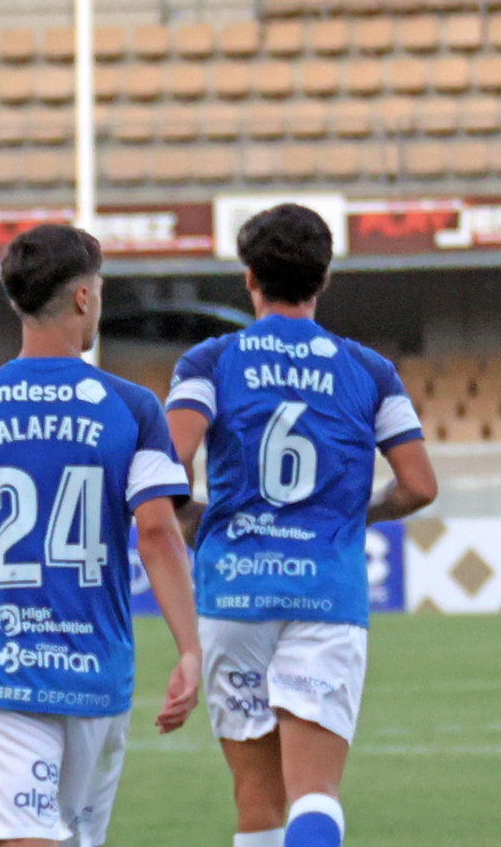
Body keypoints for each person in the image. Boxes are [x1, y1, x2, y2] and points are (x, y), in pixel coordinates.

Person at [165, 204, 438, 847]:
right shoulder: (369, 370)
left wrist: (193, 517)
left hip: (234, 590)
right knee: (315, 794)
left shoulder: (210, 361)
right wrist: (354, 514)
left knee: (257, 802)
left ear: (250, 277)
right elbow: (420, 484)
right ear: (324, 279)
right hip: (326, 594)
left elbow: (168, 463)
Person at [0, 224, 202, 847]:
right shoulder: (133, 407)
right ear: (85, 298)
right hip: (98, 676)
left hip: (5, 671)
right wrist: (192, 649)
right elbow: (158, 533)